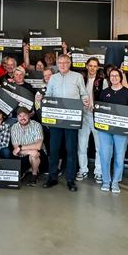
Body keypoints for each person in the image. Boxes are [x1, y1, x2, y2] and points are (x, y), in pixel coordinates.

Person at [42, 54, 89, 192]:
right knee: (54, 149)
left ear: (69, 63)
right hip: (56, 119)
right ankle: (52, 177)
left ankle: (70, 180)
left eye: (65, 62)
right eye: (60, 63)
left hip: (71, 119)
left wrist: (86, 100)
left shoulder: (77, 77)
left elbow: (83, 94)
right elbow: (48, 95)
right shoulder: (53, 78)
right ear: (57, 64)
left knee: (71, 150)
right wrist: (43, 101)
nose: (62, 65)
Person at [96, 67, 128, 193]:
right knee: (105, 155)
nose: (114, 78)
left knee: (119, 156)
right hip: (105, 130)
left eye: (116, 75)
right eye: (111, 76)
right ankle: (106, 181)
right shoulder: (104, 92)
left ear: (121, 77)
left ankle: (115, 182)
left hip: (121, 131)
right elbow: (100, 110)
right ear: (109, 78)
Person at [77, 57, 104, 184]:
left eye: (95, 66)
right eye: (90, 65)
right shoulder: (81, 80)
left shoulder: (102, 81)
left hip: (96, 116)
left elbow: (105, 99)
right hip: (83, 116)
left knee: (99, 146)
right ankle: (83, 170)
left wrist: (98, 107)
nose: (92, 68)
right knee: (82, 145)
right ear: (86, 66)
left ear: (97, 68)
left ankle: (99, 172)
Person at [10, 107, 43, 186]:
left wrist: (21, 147)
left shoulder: (36, 125)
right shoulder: (14, 127)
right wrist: (30, 151)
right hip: (22, 156)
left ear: (29, 115)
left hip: (39, 155)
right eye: (20, 116)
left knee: (35, 154)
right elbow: (15, 149)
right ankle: (29, 169)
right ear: (17, 117)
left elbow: (38, 146)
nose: (22, 118)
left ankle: (34, 175)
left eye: (24, 115)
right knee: (33, 153)